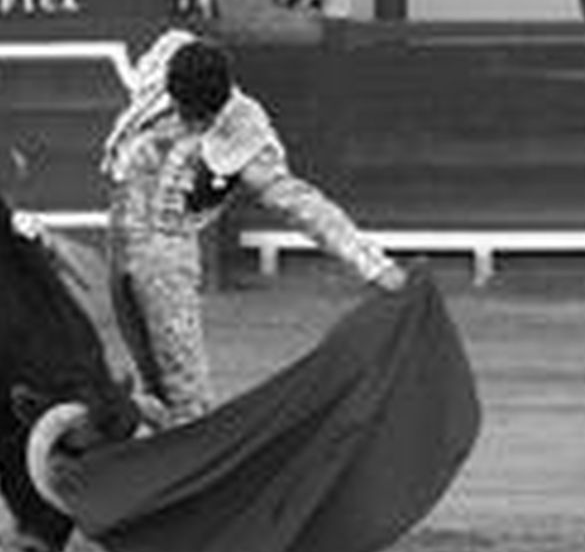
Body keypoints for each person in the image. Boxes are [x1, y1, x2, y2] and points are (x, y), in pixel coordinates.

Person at [103, 30, 406, 425]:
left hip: (166, 255)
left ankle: (147, 450)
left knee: (184, 397)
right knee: (159, 385)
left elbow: (300, 203)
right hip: (121, 240)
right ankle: (132, 438)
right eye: (181, 107)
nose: (187, 120)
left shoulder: (243, 131)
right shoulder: (168, 59)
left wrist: (373, 265)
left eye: (198, 115)